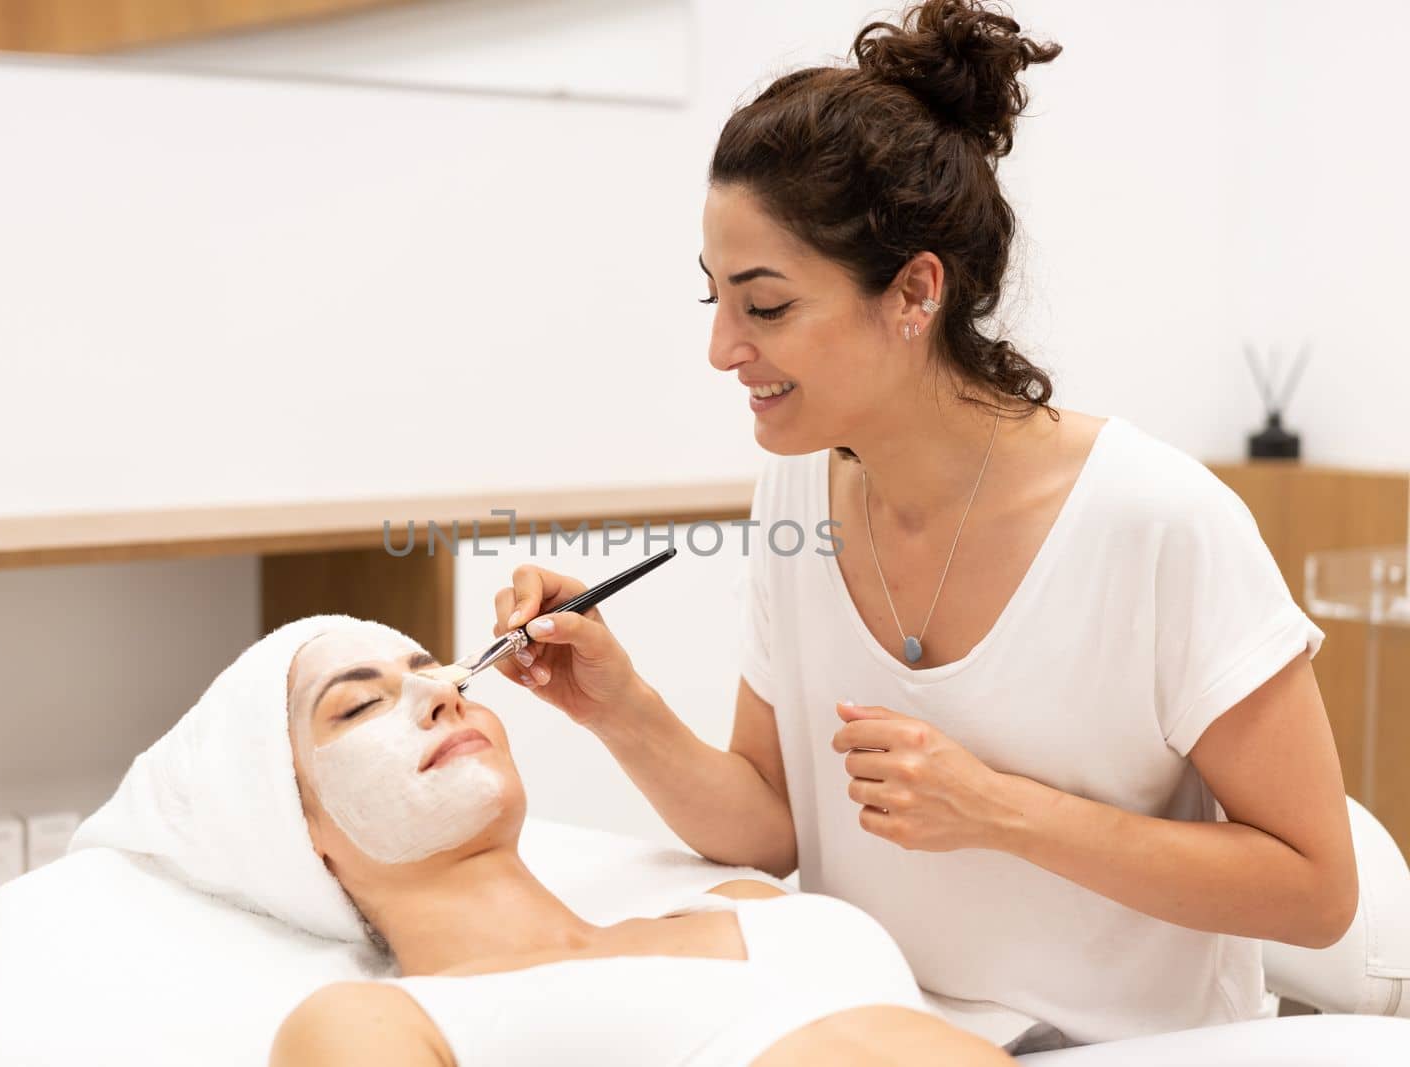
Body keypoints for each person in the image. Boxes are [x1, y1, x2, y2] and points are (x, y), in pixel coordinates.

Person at [485, 0, 1358, 1050]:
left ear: (914, 292)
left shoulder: (1154, 521)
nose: (722, 348)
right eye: (712, 298)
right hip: (874, 1025)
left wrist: (998, 809)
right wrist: (616, 703)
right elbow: (770, 828)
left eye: (764, 307)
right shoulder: (801, 493)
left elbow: (1315, 890)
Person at [269, 619, 1012, 1066]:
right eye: (362, 703)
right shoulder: (370, 1022)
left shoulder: (740, 899)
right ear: (301, 830)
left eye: (440, 676)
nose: (441, 694)